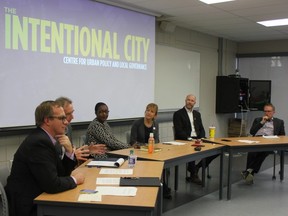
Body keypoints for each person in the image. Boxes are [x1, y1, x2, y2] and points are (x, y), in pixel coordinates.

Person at [5, 100, 85, 216]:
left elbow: (60, 174)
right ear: (47, 120)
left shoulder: (45, 139)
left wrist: (69, 152)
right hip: (29, 206)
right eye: (62, 118)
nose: (66, 122)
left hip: (39, 197)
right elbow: (52, 185)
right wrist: (75, 180)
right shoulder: (39, 142)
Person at [173, 94, 218, 185]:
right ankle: (193, 175)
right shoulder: (178, 114)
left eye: (192, 101)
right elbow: (179, 131)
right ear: (185, 101)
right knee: (192, 149)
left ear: (195, 102)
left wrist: (201, 138)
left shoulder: (197, 114)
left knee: (215, 150)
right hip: (185, 139)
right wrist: (190, 139)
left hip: (197, 138)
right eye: (188, 100)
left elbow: (201, 129)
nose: (190, 102)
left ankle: (197, 167)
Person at [241, 103, 285, 184]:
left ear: (273, 112)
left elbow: (282, 136)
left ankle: (249, 173)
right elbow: (252, 132)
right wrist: (262, 122)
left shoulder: (279, 122)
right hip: (258, 140)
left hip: (271, 141)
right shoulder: (258, 120)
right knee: (251, 152)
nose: (267, 113)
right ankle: (250, 174)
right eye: (265, 111)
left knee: (264, 151)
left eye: (269, 111)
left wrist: (275, 140)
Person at [55, 97, 106, 162]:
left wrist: (86, 150)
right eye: (68, 114)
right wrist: (73, 155)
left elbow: (70, 150)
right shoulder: (52, 133)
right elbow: (59, 160)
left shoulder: (68, 127)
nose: (72, 117)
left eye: (72, 113)